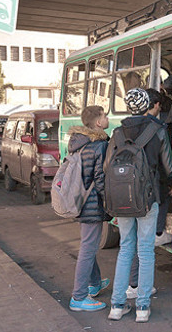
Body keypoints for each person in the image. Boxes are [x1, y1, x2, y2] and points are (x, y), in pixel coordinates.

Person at [107, 88, 172, 323]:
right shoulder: (157, 130)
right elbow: (169, 169)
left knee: (126, 249)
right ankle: (142, 307)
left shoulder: (117, 133)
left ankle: (117, 306)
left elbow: (107, 167)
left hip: (123, 200)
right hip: (148, 200)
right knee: (146, 251)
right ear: (147, 104)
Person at [68, 105, 112, 312]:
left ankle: (94, 284)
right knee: (87, 249)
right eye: (104, 116)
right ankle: (78, 297)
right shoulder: (99, 145)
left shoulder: (78, 143)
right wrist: (109, 205)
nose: (107, 118)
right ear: (98, 123)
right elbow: (100, 180)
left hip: (80, 200)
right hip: (92, 203)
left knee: (89, 245)